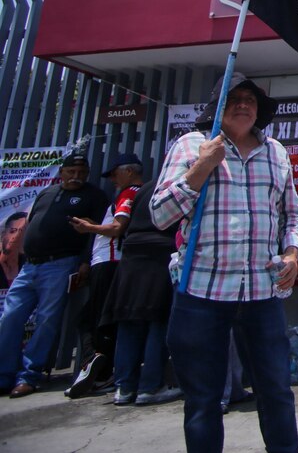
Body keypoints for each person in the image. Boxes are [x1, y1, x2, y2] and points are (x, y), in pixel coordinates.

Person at [152, 72, 298, 451]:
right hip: (201, 293)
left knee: (277, 392)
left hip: (262, 293)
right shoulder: (192, 146)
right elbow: (160, 215)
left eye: (250, 100)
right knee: (203, 400)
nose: (243, 105)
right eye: (233, 98)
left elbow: (292, 216)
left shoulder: (276, 152)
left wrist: (291, 253)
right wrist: (201, 168)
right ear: (217, 108)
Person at [0, 152, 109, 398]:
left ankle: (29, 376)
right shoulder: (47, 193)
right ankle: (4, 375)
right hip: (30, 266)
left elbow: (96, 233)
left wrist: (84, 262)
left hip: (60, 264)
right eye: (71, 172)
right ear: (61, 173)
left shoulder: (93, 196)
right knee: (10, 317)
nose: (76, 176)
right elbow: (31, 223)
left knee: (47, 320)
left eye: (82, 173)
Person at [65, 153, 144, 399]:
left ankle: (99, 367)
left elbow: (118, 227)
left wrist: (88, 228)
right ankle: (99, 365)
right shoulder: (133, 193)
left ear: (129, 171)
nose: (112, 179)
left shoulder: (129, 193)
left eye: (114, 173)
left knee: (96, 320)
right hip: (110, 262)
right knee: (96, 319)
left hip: (110, 263)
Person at [101, 181, 182, 406]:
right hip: (162, 254)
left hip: (132, 258)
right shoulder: (183, 183)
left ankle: (124, 387)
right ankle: (149, 387)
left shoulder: (143, 189)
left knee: (130, 319)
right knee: (159, 320)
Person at [0, 212, 27, 289]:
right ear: (3, 235)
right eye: (13, 231)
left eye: (22, 233)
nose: (16, 237)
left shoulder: (32, 266)